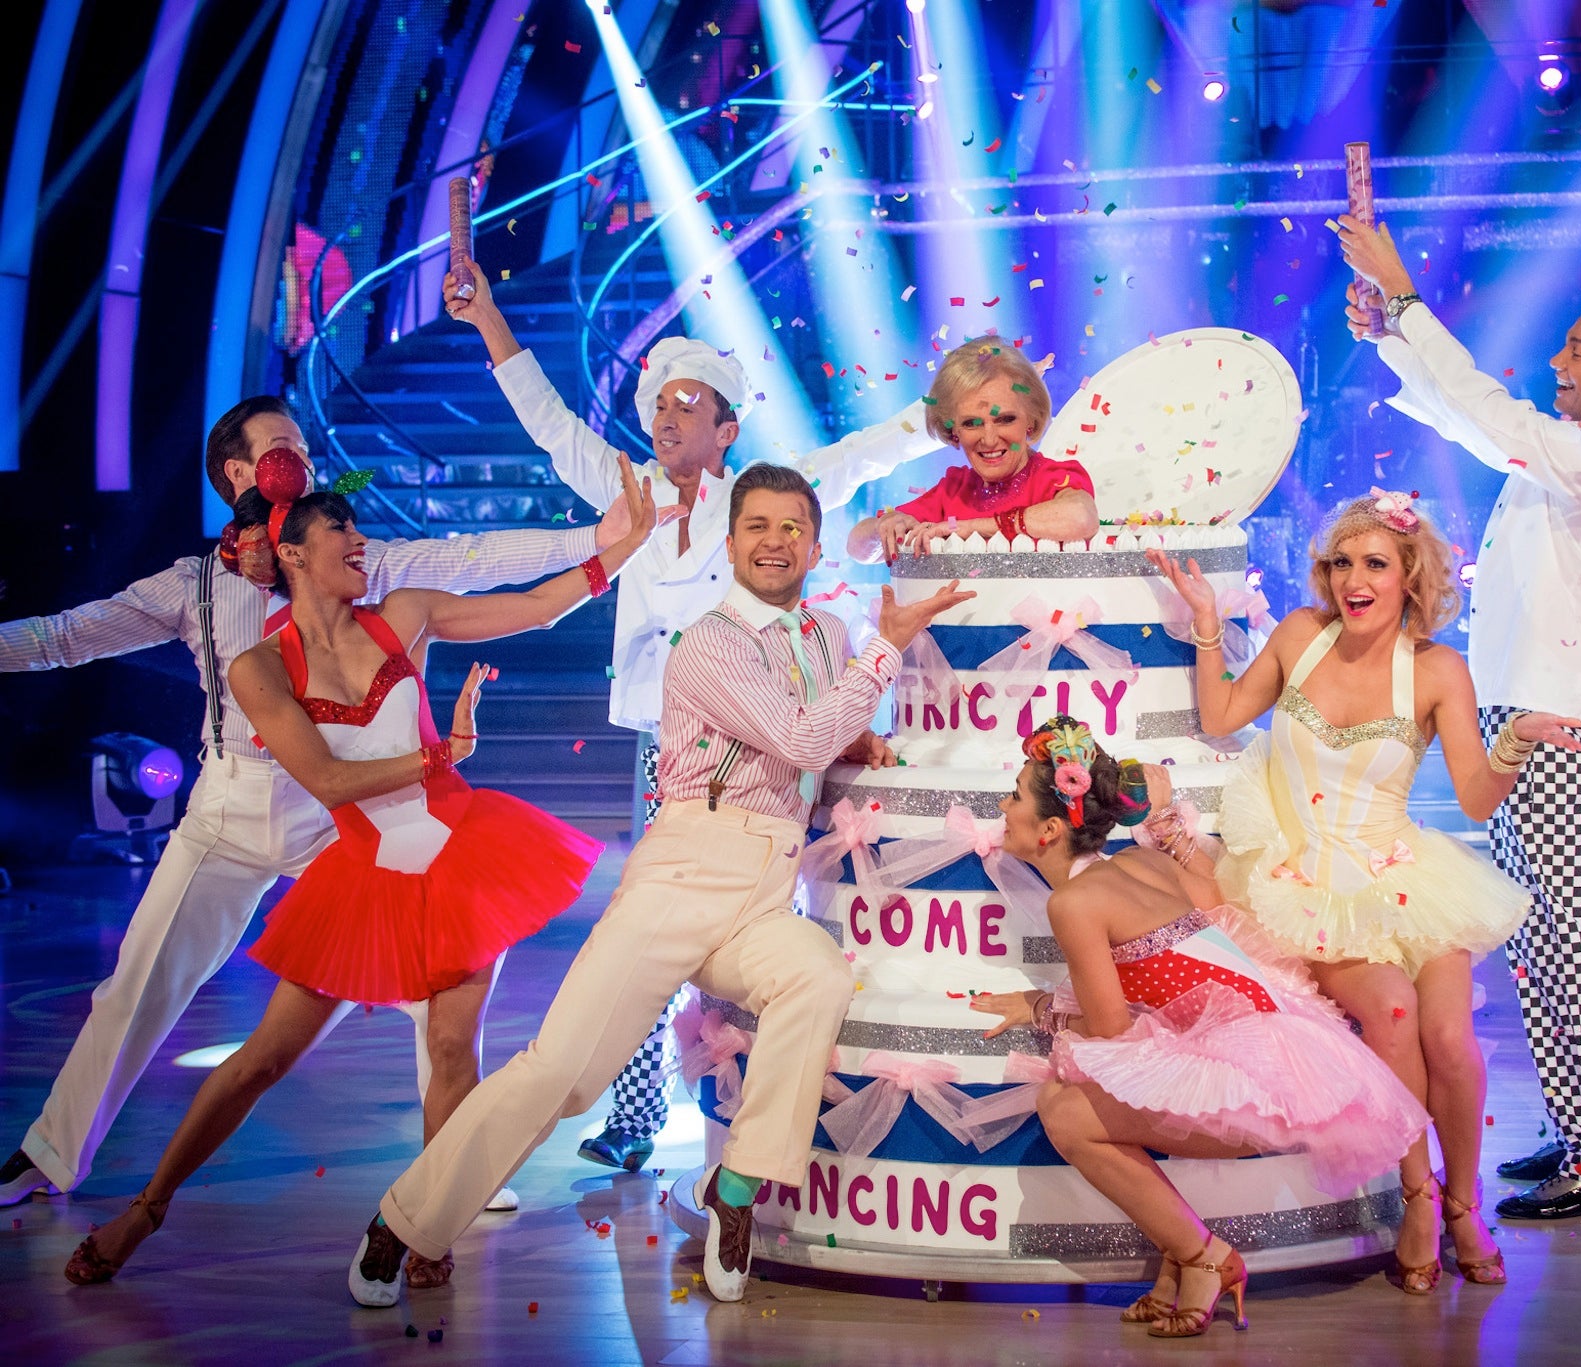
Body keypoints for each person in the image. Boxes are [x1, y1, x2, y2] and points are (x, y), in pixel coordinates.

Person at [346, 463, 973, 1308]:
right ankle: (404, 1218)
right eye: (758, 525)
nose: (775, 541)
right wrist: (882, 653)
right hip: (685, 871)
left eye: (792, 527)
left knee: (816, 972)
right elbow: (796, 735)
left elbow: (824, 730)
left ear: (816, 545)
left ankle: (737, 1189)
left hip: (763, 885)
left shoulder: (825, 634)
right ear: (730, 541)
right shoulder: (708, 640)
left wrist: (861, 740)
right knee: (562, 1077)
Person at [0, 396, 630, 1211]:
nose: (304, 456)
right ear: (238, 472)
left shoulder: (357, 564)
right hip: (226, 812)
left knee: (432, 976)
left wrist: (593, 539)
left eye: (301, 444)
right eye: (283, 446)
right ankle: (52, 1152)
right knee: (137, 982)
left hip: (342, 817)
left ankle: (454, 1160)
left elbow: (472, 557)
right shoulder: (191, 584)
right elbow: (65, 636)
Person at [443, 266, 937, 1172]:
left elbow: (845, 463)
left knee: (755, 941)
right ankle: (635, 1118)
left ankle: (746, 1114)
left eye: (689, 405)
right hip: (667, 750)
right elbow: (548, 421)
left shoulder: (752, 503)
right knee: (648, 934)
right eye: (658, 404)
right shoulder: (623, 485)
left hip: (768, 748)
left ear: (726, 429)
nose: (667, 419)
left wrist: (923, 424)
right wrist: (486, 320)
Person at [1339, 219, 1581, 1220]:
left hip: (1558, 718)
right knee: (1532, 936)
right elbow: (1476, 420)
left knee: (1570, 941)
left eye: (1578, 349)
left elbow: (1485, 413)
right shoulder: (1567, 452)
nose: (1557, 359)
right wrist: (1390, 333)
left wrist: (1404, 300)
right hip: (1522, 710)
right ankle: (1577, 1129)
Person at [1149, 491, 1575, 1291]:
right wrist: (1206, 620)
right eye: (1341, 562)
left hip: (1407, 877)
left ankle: (1463, 1202)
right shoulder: (1302, 638)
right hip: (1306, 883)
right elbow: (1220, 713)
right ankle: (1417, 1196)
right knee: (1394, 1011)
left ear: (1411, 575)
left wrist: (1514, 739)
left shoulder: (1440, 669)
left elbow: (1478, 798)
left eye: (1374, 562)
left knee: (1450, 1039)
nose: (1353, 578)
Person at [971, 717, 1428, 1336]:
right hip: (1281, 1043)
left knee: (1064, 1110)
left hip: (1262, 1074)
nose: (1003, 804)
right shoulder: (1139, 864)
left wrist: (1041, 1010)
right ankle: (1178, 1263)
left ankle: (1203, 1256)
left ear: (1051, 828)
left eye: (1016, 795)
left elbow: (1111, 1035)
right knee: (1101, 1093)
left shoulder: (1073, 903)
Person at [848, 337, 1098, 562]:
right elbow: (856, 547)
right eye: (971, 423)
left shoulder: (1053, 478)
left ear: (1031, 420)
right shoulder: (954, 492)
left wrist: (972, 527)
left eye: (1005, 419)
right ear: (953, 430)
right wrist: (884, 526)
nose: (989, 440)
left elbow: (1081, 517)